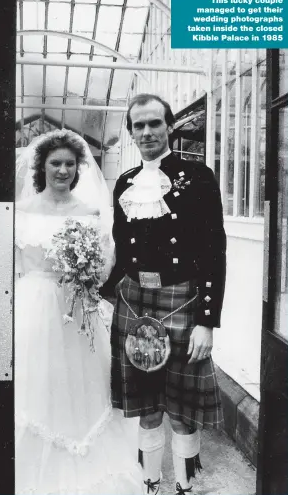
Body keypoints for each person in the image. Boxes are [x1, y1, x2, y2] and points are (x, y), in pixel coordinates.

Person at [101, 94, 227, 495]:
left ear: (169, 126)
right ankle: (150, 484)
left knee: (181, 412)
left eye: (155, 123)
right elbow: (122, 252)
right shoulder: (125, 183)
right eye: (138, 125)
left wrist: (207, 322)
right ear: (131, 132)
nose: (147, 132)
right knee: (146, 407)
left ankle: (185, 487)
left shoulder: (199, 176)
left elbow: (213, 252)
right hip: (134, 302)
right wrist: (100, 293)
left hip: (183, 302)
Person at [14, 129, 143, 495]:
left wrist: (84, 272)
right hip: (33, 306)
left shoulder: (90, 213)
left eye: (70, 164)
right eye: (56, 163)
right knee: (37, 379)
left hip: (77, 309)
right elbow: (11, 266)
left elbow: (103, 269)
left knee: (81, 383)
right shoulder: (20, 212)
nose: (63, 170)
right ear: (42, 166)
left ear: (79, 168)